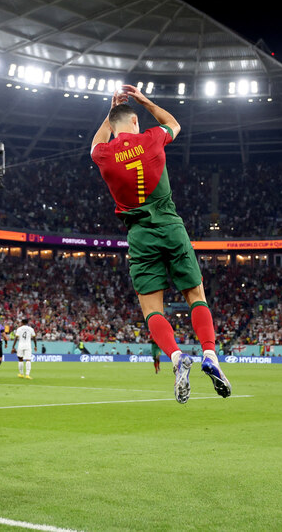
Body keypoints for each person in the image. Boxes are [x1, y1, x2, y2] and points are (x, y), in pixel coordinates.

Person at [91, 85, 231, 403]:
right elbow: (175, 123)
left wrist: (108, 114)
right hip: (171, 226)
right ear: (136, 122)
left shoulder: (105, 155)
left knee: (152, 309)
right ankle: (210, 354)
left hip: (140, 235)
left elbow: (95, 143)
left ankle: (177, 357)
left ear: (113, 127)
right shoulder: (152, 137)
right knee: (196, 295)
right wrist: (146, 101)